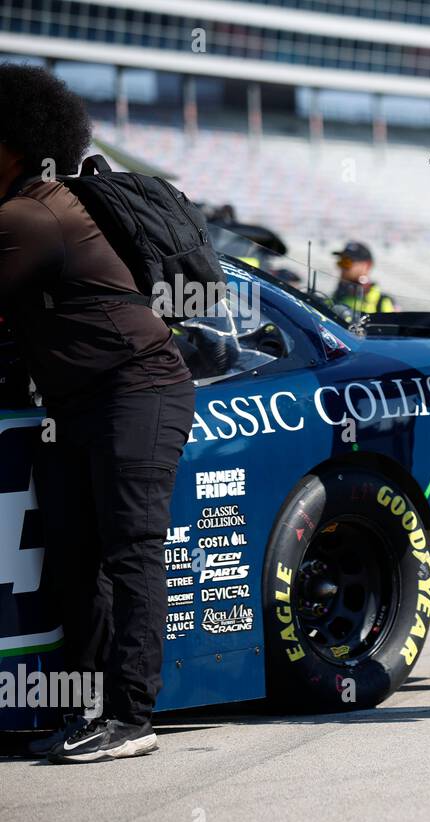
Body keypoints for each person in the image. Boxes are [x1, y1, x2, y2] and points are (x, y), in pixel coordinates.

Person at [0, 65, 195, 759]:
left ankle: (131, 720)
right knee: (77, 561)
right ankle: (90, 713)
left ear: (13, 144)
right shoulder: (32, 205)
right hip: (80, 402)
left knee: (130, 553)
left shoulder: (31, 215)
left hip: (137, 391)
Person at [332, 240, 396, 315]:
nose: (341, 267)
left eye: (346, 262)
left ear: (367, 265)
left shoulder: (382, 302)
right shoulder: (336, 297)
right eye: (340, 262)